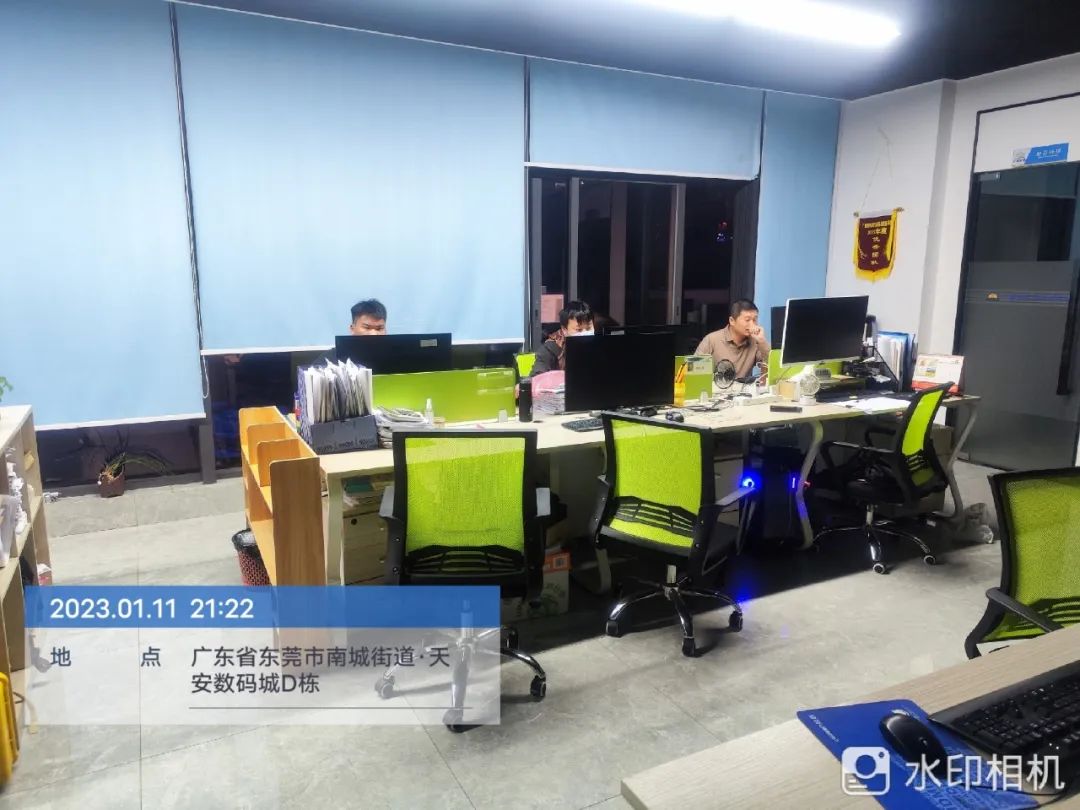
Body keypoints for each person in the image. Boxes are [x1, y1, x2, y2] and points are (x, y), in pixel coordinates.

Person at [695, 299, 769, 379]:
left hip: (743, 386)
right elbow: (694, 369)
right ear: (732, 321)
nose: (752, 324)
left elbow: (770, 365)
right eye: (747, 320)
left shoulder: (755, 341)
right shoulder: (712, 339)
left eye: (754, 320)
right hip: (717, 386)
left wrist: (762, 341)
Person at [532, 300, 594, 374]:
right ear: (564, 330)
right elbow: (538, 376)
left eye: (588, 328)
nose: (585, 333)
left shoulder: (599, 346)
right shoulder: (551, 348)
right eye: (579, 330)